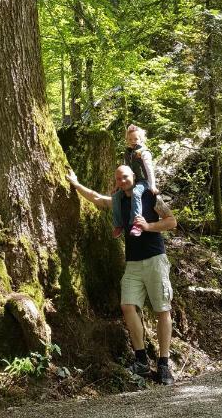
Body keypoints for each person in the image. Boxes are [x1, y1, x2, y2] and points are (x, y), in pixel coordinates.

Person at [67, 165, 177, 385]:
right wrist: (76, 183)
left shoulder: (149, 195)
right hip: (133, 264)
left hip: (155, 260)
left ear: (133, 177)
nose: (122, 180)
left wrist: (148, 226)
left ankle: (164, 364)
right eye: (118, 178)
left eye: (125, 176)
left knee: (162, 310)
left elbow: (172, 221)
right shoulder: (119, 201)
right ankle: (142, 360)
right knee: (127, 306)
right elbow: (97, 199)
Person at [112, 124, 158, 238]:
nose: (133, 141)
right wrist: (117, 186)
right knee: (116, 196)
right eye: (130, 139)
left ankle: (136, 223)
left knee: (136, 192)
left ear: (141, 138)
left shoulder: (143, 152)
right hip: (132, 181)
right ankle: (118, 225)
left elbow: (149, 169)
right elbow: (125, 171)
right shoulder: (128, 152)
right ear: (127, 139)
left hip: (143, 181)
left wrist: (152, 185)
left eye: (136, 139)